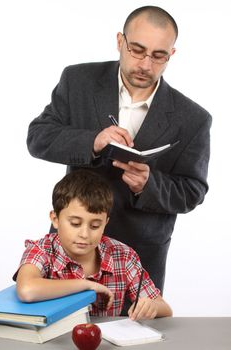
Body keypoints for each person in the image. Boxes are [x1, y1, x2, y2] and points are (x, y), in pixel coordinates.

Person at [27, 6, 212, 293]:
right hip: (71, 245)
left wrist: (148, 184)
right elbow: (38, 137)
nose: (146, 64)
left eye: (159, 56)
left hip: (138, 256)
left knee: (133, 336)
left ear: (171, 55)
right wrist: (93, 141)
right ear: (120, 41)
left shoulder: (194, 119)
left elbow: (193, 191)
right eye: (137, 50)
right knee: (58, 333)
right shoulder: (78, 81)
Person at [13, 169, 172, 320]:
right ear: (55, 219)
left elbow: (165, 308)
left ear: (105, 223)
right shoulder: (41, 249)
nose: (84, 234)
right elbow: (27, 290)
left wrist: (151, 306)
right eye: (75, 224)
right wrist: (86, 286)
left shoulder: (123, 256)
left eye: (95, 226)